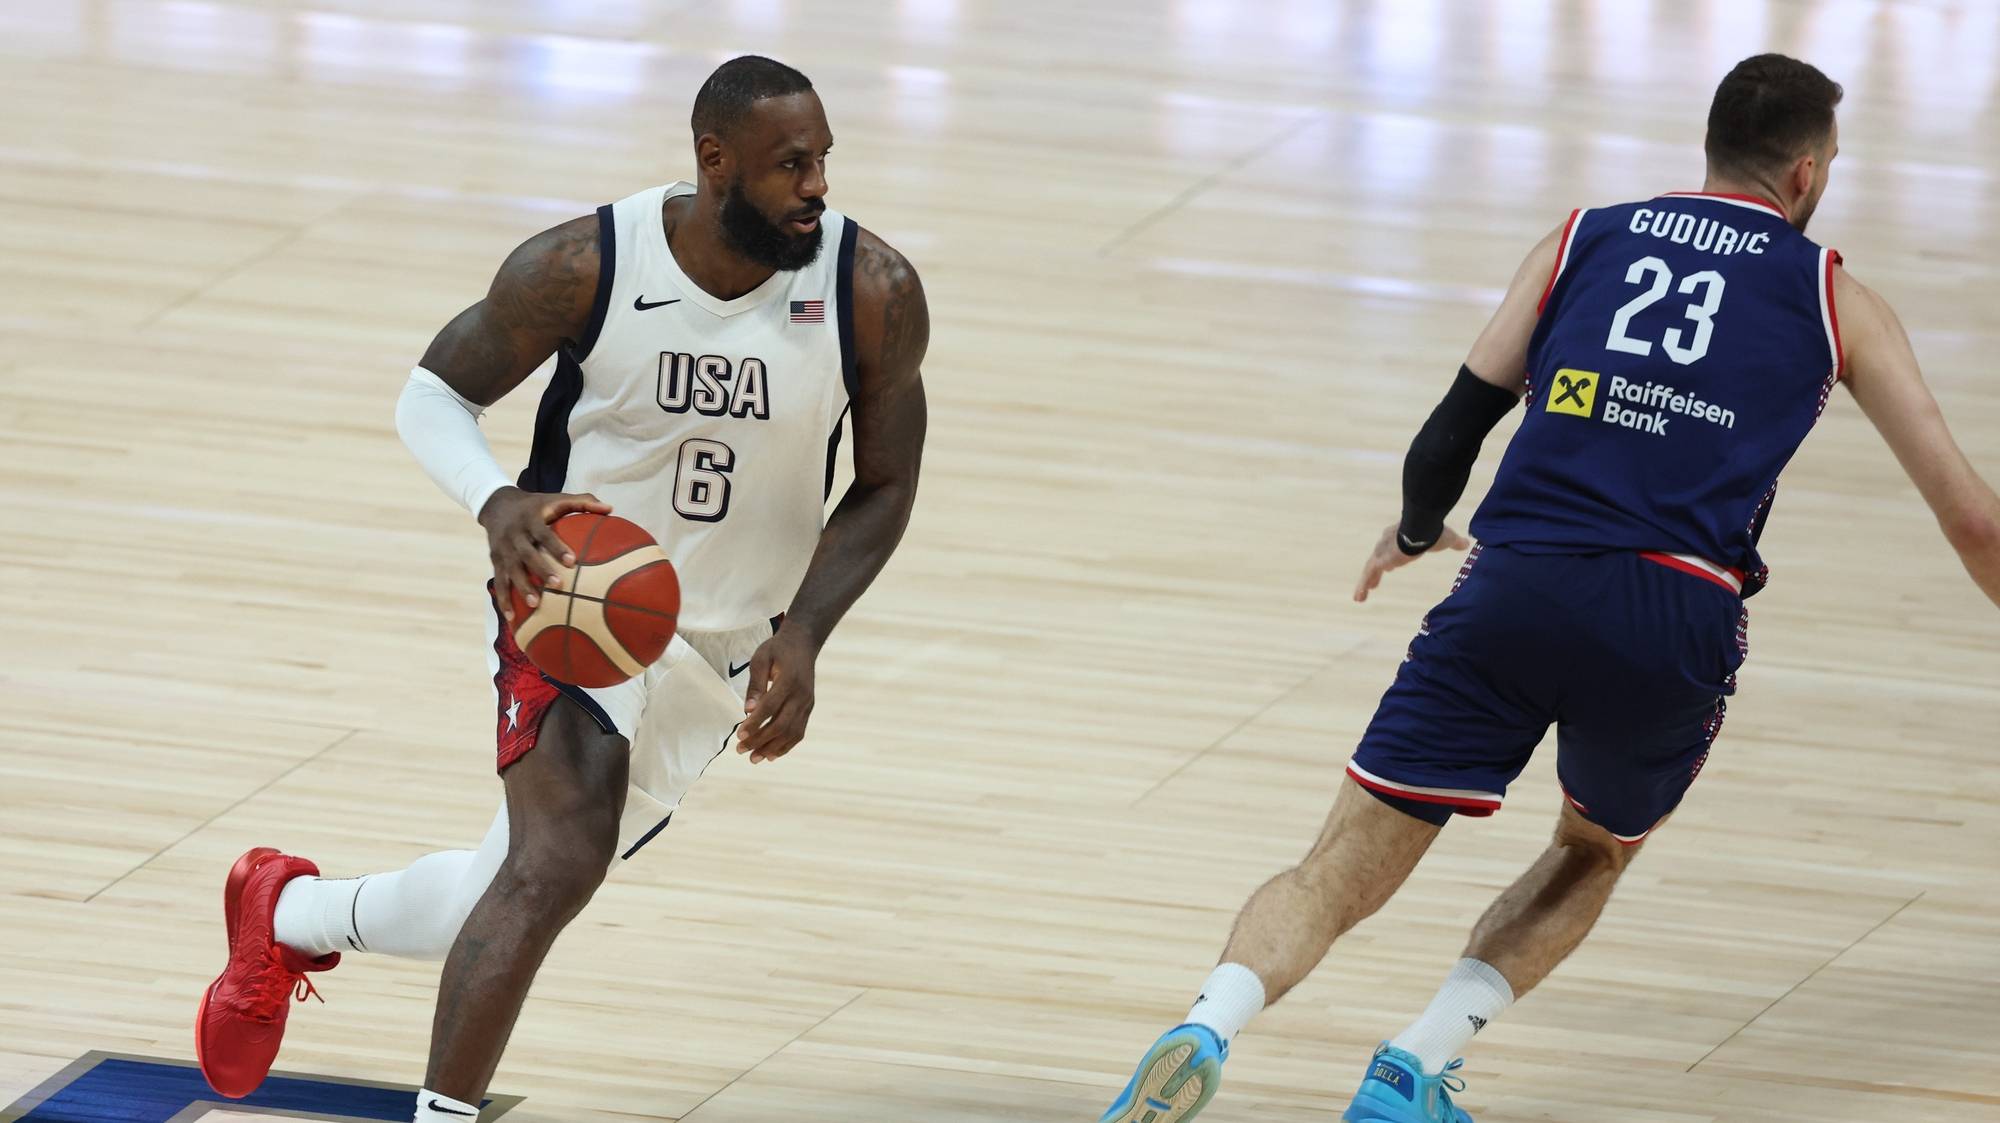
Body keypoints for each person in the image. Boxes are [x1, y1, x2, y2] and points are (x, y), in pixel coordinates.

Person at [1099, 53, 2000, 1123]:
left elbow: (1450, 428)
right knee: (1589, 849)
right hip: (1670, 610)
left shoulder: (1580, 239)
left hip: (1514, 579)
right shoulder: (1833, 295)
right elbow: (1972, 518)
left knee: (1337, 862)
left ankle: (1206, 1023)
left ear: (1709, 147)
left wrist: (1417, 528)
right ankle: (1414, 1064)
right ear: (1803, 175)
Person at [194, 55, 929, 1123]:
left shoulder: (870, 291)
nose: (816, 185)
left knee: (511, 888)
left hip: (718, 639)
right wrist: (496, 501)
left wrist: (806, 630)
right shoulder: (585, 264)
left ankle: (291, 909)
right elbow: (433, 392)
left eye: (820, 160)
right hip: (573, 601)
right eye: (789, 165)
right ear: (712, 160)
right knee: (555, 865)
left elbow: (885, 482)